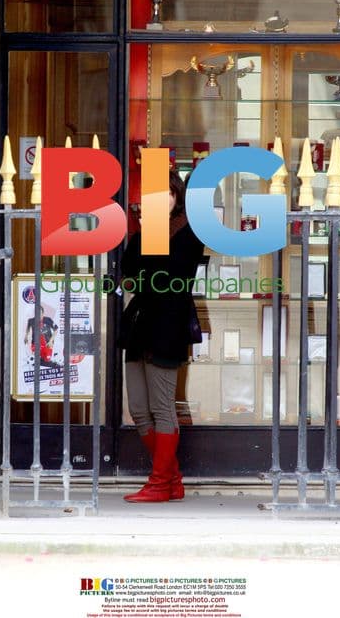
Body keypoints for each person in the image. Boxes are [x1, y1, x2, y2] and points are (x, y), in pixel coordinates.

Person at [120, 171, 204, 503]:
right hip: (139, 325)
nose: (162, 200)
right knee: (139, 409)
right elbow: (128, 269)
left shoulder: (189, 231)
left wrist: (145, 271)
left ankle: (159, 484)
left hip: (168, 325)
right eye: (155, 194)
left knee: (162, 407)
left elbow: (171, 275)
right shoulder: (144, 233)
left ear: (177, 196)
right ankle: (171, 479)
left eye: (167, 193)